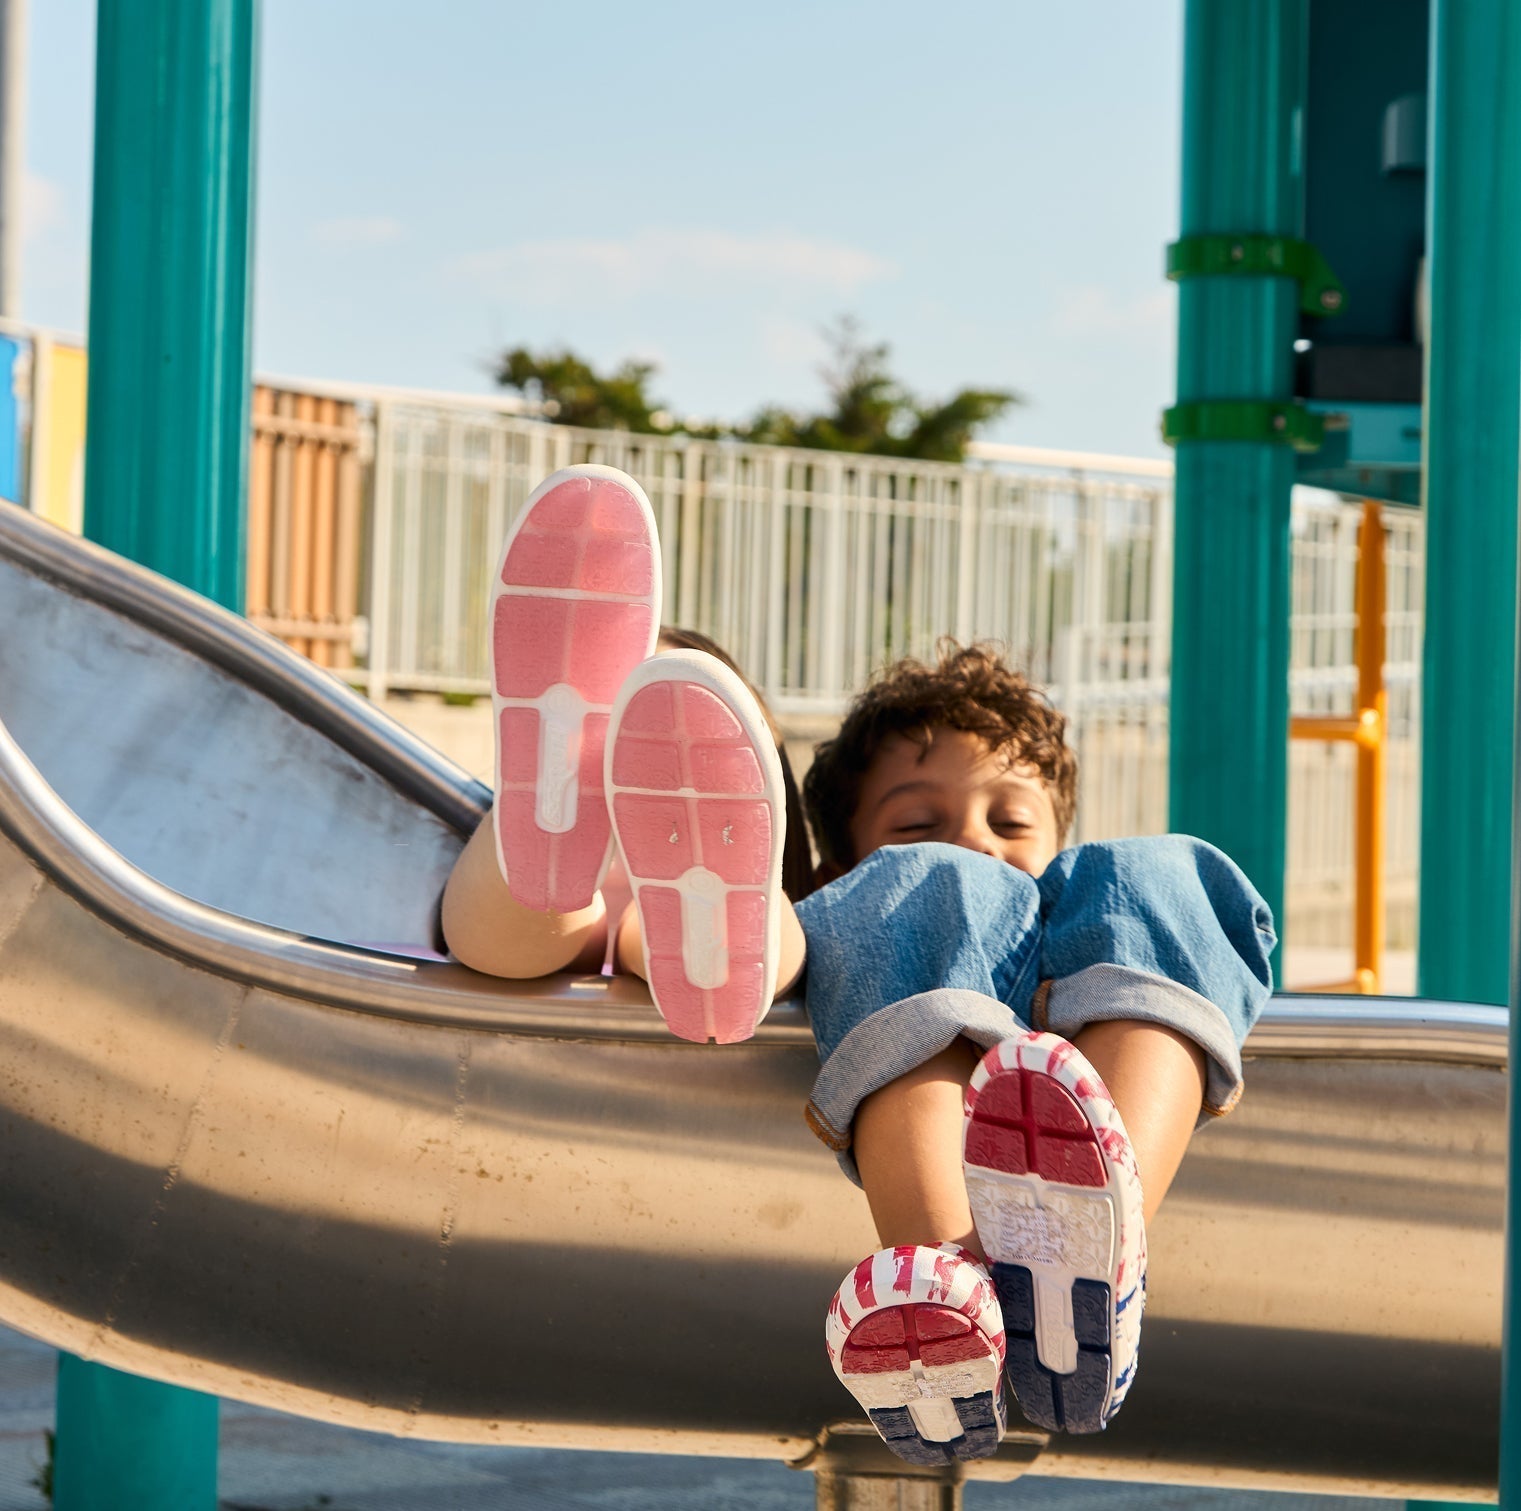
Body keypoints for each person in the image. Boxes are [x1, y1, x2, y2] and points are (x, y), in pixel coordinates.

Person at [796, 643, 1273, 1462]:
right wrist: (899, 884)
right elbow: (901, 896)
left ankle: (1092, 1247)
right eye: (917, 823)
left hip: (1089, 1017)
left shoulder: (1083, 898)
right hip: (915, 1015)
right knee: (924, 894)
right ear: (833, 875)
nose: (974, 842)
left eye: (1010, 821)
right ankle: (953, 1283)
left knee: (1159, 876)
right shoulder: (908, 891)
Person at [439, 465, 811, 1043]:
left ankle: (556, 795)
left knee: (588, 923)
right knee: (588, 914)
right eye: (622, 732)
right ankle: (553, 837)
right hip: (616, 941)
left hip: (584, 943)